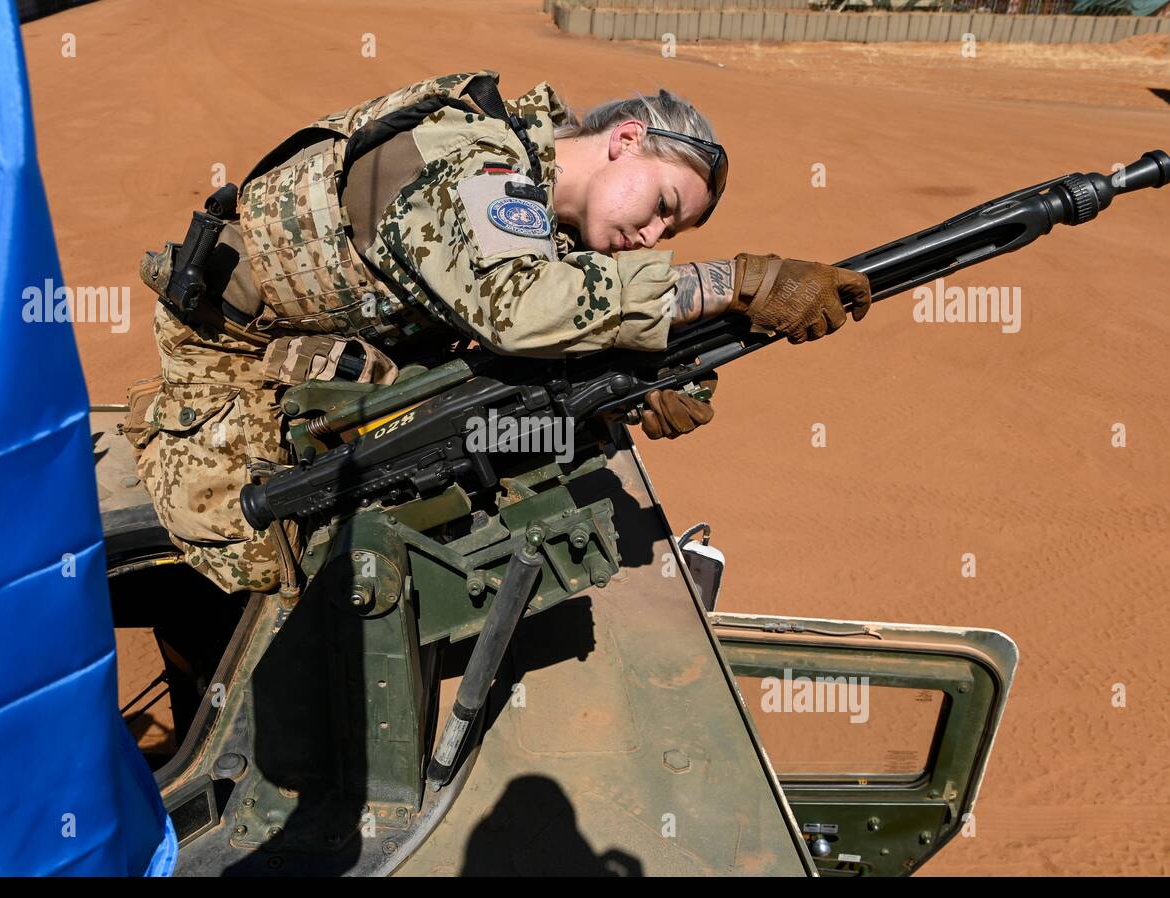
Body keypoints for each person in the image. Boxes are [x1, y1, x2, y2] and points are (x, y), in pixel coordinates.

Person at [123, 71, 870, 594]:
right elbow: (515, 307)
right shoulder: (481, 160)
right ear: (627, 139)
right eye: (665, 204)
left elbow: (555, 309)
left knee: (519, 437)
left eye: (672, 228)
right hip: (233, 356)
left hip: (345, 343)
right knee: (274, 561)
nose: (654, 234)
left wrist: (644, 385)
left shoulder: (544, 208)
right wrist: (726, 285)